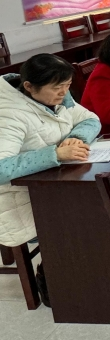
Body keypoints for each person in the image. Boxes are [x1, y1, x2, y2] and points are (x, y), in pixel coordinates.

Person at [0, 54, 100, 307]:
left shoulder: (57, 96)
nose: (64, 93)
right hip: (21, 195)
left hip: (56, 181)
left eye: (67, 85)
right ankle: (55, 280)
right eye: (57, 88)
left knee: (103, 202)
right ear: (29, 86)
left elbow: (90, 119)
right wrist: (54, 154)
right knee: (91, 212)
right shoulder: (8, 114)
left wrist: (77, 137)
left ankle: (101, 271)